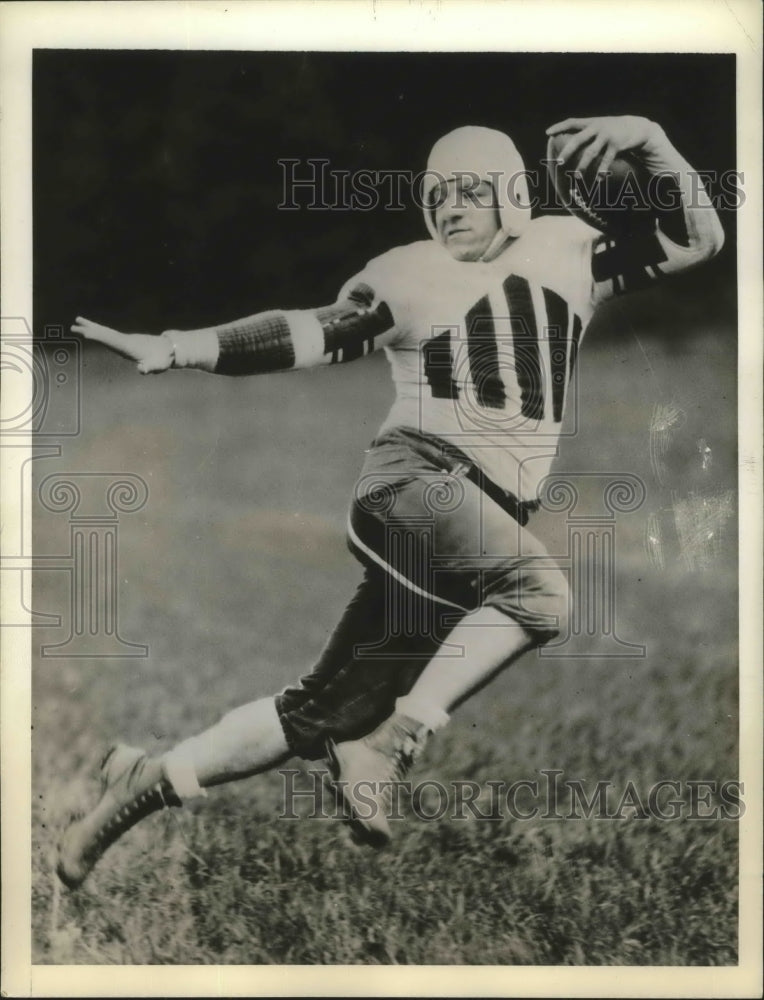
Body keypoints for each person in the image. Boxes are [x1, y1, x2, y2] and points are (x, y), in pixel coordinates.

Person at [57, 116, 724, 887]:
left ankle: (133, 789)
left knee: (318, 714)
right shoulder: (410, 273)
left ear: (512, 195)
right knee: (541, 595)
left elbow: (697, 237)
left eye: (469, 189)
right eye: (436, 194)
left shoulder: (570, 251)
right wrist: (181, 344)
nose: (449, 205)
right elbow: (310, 333)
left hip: (471, 526)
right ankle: (393, 742)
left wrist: (650, 142)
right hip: (413, 482)